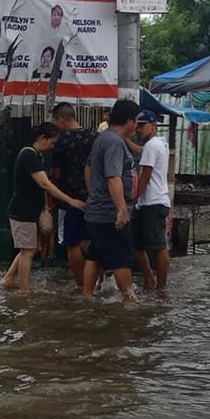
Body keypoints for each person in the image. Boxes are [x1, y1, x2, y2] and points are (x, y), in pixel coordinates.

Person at [2, 122, 85, 294]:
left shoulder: (33, 155)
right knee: (28, 251)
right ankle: (25, 291)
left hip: (28, 210)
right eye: (52, 141)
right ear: (42, 138)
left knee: (29, 248)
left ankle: (9, 279)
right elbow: (45, 184)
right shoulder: (29, 156)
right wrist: (70, 200)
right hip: (22, 211)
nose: (53, 145)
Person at [83, 99, 140, 301]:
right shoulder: (114, 142)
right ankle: (129, 301)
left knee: (95, 255)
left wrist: (94, 195)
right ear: (128, 121)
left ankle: (87, 296)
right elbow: (113, 177)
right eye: (136, 121)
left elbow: (88, 168)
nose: (137, 126)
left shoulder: (103, 138)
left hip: (97, 211)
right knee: (122, 258)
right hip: (110, 214)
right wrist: (121, 209)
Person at [50, 102, 97, 286]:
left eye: (55, 121)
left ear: (61, 119)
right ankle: (95, 278)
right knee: (88, 239)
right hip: (94, 198)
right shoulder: (95, 136)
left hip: (69, 199)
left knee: (72, 243)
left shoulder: (62, 140)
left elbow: (57, 172)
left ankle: (81, 284)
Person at [132, 110, 172, 291]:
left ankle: (160, 287)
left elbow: (145, 175)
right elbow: (141, 152)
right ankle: (150, 279)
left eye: (142, 125)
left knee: (158, 247)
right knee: (137, 244)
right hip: (153, 201)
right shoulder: (159, 143)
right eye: (137, 126)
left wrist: (134, 197)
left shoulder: (151, 146)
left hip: (152, 202)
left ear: (153, 125)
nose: (139, 129)